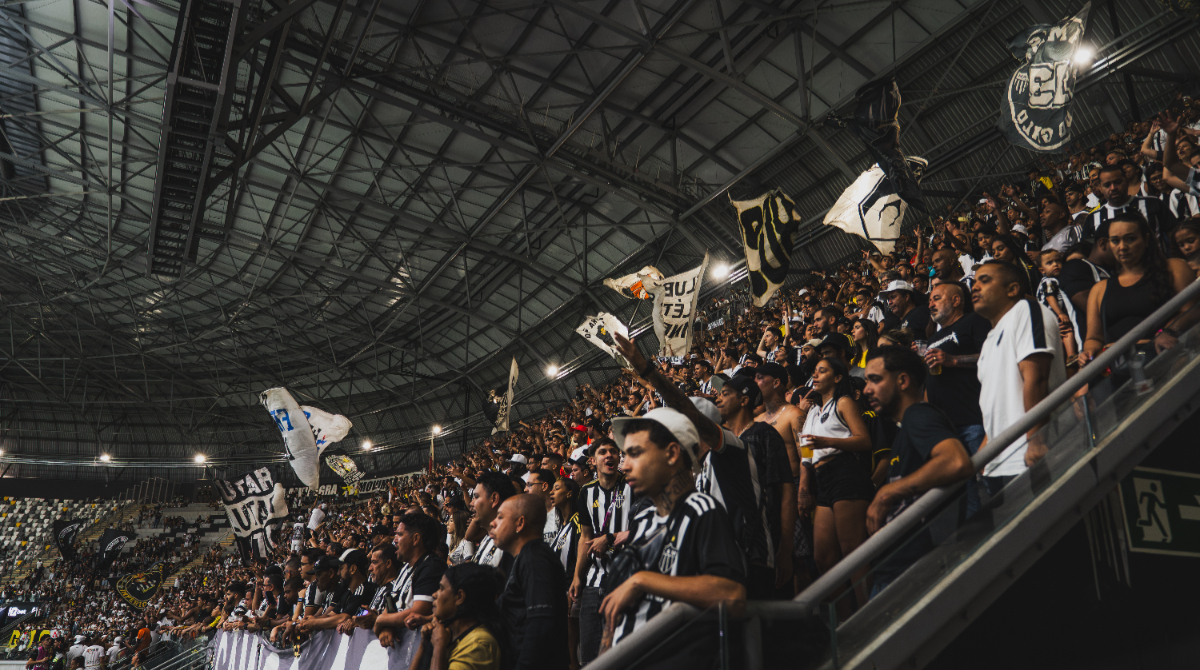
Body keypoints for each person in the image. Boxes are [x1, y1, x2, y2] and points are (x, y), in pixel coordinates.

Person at [861, 347, 974, 594]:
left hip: (914, 574)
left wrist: (886, 493)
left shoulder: (918, 415)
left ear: (902, 380)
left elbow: (956, 461)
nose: (866, 389)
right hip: (903, 571)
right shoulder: (907, 427)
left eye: (875, 379)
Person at [972, 260, 1067, 489]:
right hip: (999, 463)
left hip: (1031, 455)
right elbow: (996, 403)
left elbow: (1037, 378)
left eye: (984, 281)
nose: (975, 287)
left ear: (1012, 289)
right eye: (974, 282)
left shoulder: (1027, 310)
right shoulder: (989, 339)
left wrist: (1036, 440)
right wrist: (984, 453)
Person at [797, 356, 873, 608]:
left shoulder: (844, 402)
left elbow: (864, 441)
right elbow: (806, 453)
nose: (815, 376)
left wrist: (829, 442)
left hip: (845, 472)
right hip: (822, 478)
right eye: (814, 372)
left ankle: (868, 611)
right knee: (823, 556)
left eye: (822, 371)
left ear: (838, 377)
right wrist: (803, 488)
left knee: (853, 550)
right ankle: (845, 617)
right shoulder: (812, 412)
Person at [715, 372, 797, 597]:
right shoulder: (722, 441)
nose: (718, 399)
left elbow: (786, 490)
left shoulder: (763, 434)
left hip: (768, 543)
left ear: (744, 400)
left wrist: (785, 549)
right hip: (737, 547)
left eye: (725, 394)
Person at [923, 281, 990, 515]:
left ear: (956, 300)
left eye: (937, 298)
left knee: (988, 482)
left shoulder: (973, 322)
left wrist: (954, 360)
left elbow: (991, 355)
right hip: (948, 428)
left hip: (974, 419)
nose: (930, 303)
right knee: (967, 493)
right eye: (930, 300)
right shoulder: (931, 340)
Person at [569, 438, 632, 665]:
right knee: (590, 653)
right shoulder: (586, 493)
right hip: (594, 581)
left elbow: (644, 528)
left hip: (626, 577)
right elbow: (585, 537)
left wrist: (611, 539)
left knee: (622, 650)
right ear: (593, 461)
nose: (609, 456)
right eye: (603, 452)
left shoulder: (631, 486)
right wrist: (578, 575)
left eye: (613, 452)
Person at [492, 494, 568, 670]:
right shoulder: (526, 557)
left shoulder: (535, 559)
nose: (493, 523)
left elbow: (540, 624)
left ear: (520, 523)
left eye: (501, 517)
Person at [412, 563, 505, 670]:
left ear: (460, 597)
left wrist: (439, 646)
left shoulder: (478, 644)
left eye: (441, 589)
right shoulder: (447, 633)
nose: (434, 594)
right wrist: (424, 645)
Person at [374, 513, 447, 645]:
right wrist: (387, 626)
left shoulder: (431, 566)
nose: (394, 540)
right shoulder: (405, 568)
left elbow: (419, 612)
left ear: (415, 539)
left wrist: (381, 620)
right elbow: (391, 603)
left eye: (400, 534)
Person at [467, 471, 516, 574]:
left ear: (494, 499)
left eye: (476, 497)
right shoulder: (488, 536)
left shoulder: (510, 542)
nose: (471, 503)